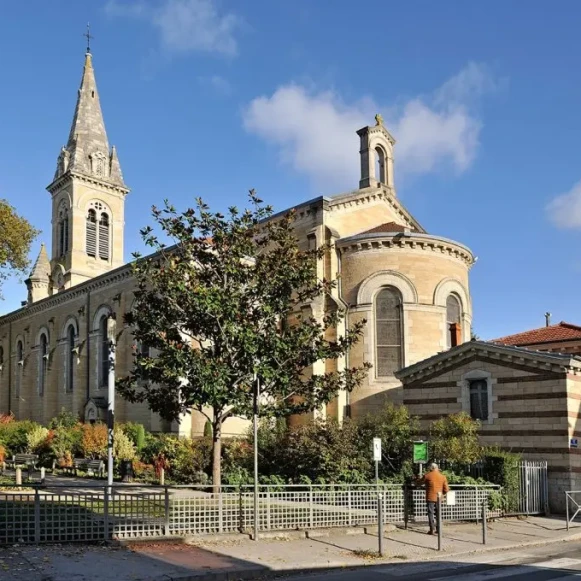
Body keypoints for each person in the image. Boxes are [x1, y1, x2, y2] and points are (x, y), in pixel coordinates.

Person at [417, 463, 449, 535]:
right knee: (438, 513)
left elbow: (419, 482)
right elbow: (446, 489)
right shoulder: (443, 476)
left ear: (431, 468)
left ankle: (432, 529)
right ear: (437, 468)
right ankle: (439, 529)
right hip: (439, 497)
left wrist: (416, 479)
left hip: (430, 497)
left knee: (430, 513)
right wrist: (441, 493)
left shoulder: (427, 475)